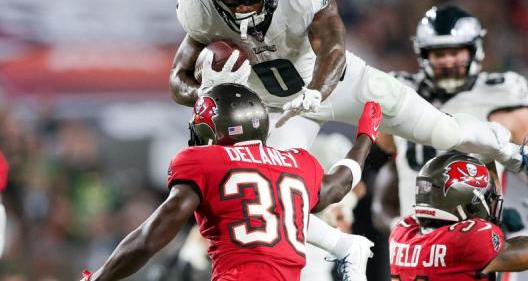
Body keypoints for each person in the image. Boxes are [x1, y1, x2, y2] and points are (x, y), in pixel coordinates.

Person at [168, 0, 528, 279]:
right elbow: (178, 80)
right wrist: (205, 91)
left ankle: (516, 153)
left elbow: (334, 51)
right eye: (231, 0)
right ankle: (345, 249)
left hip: (341, 83)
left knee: (445, 130)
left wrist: (317, 93)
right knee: (279, 200)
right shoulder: (199, 7)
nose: (242, 9)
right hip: (281, 107)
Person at [80, 83, 383, 281]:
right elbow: (338, 185)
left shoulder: (202, 162)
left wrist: (100, 277)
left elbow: (151, 237)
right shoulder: (298, 162)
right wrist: (366, 136)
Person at [371, 4, 528, 235]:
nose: (447, 61)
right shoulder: (402, 94)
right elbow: (384, 161)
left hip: (477, 244)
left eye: (455, 52)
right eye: (439, 53)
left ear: (474, 51)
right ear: (424, 55)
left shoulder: (500, 98)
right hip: (416, 245)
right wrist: (391, 217)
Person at [388, 151, 528, 280]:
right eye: (486, 198)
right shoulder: (468, 240)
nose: (491, 203)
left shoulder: (401, 233)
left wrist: (485, 154)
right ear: (467, 203)